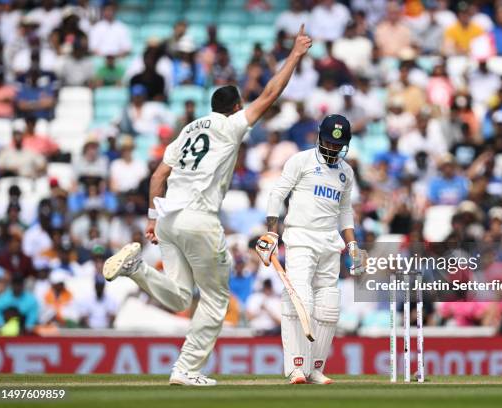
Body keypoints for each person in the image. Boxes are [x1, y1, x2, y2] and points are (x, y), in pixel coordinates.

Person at [102, 26, 312, 387]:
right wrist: (294, 55)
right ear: (235, 108)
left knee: (181, 294)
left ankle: (136, 268)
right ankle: (185, 369)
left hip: (168, 218)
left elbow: (157, 177)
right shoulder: (231, 126)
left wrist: (152, 220)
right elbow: (271, 93)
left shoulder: (186, 130)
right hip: (199, 219)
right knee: (215, 300)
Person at [256, 114, 365, 385]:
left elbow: (344, 211)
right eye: (328, 143)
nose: (333, 149)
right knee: (300, 297)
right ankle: (295, 367)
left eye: (338, 145)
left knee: (328, 306)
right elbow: (277, 194)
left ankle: (315, 367)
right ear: (319, 137)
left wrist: (352, 245)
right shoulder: (301, 161)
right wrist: (272, 232)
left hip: (330, 242)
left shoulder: (346, 172)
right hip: (300, 237)